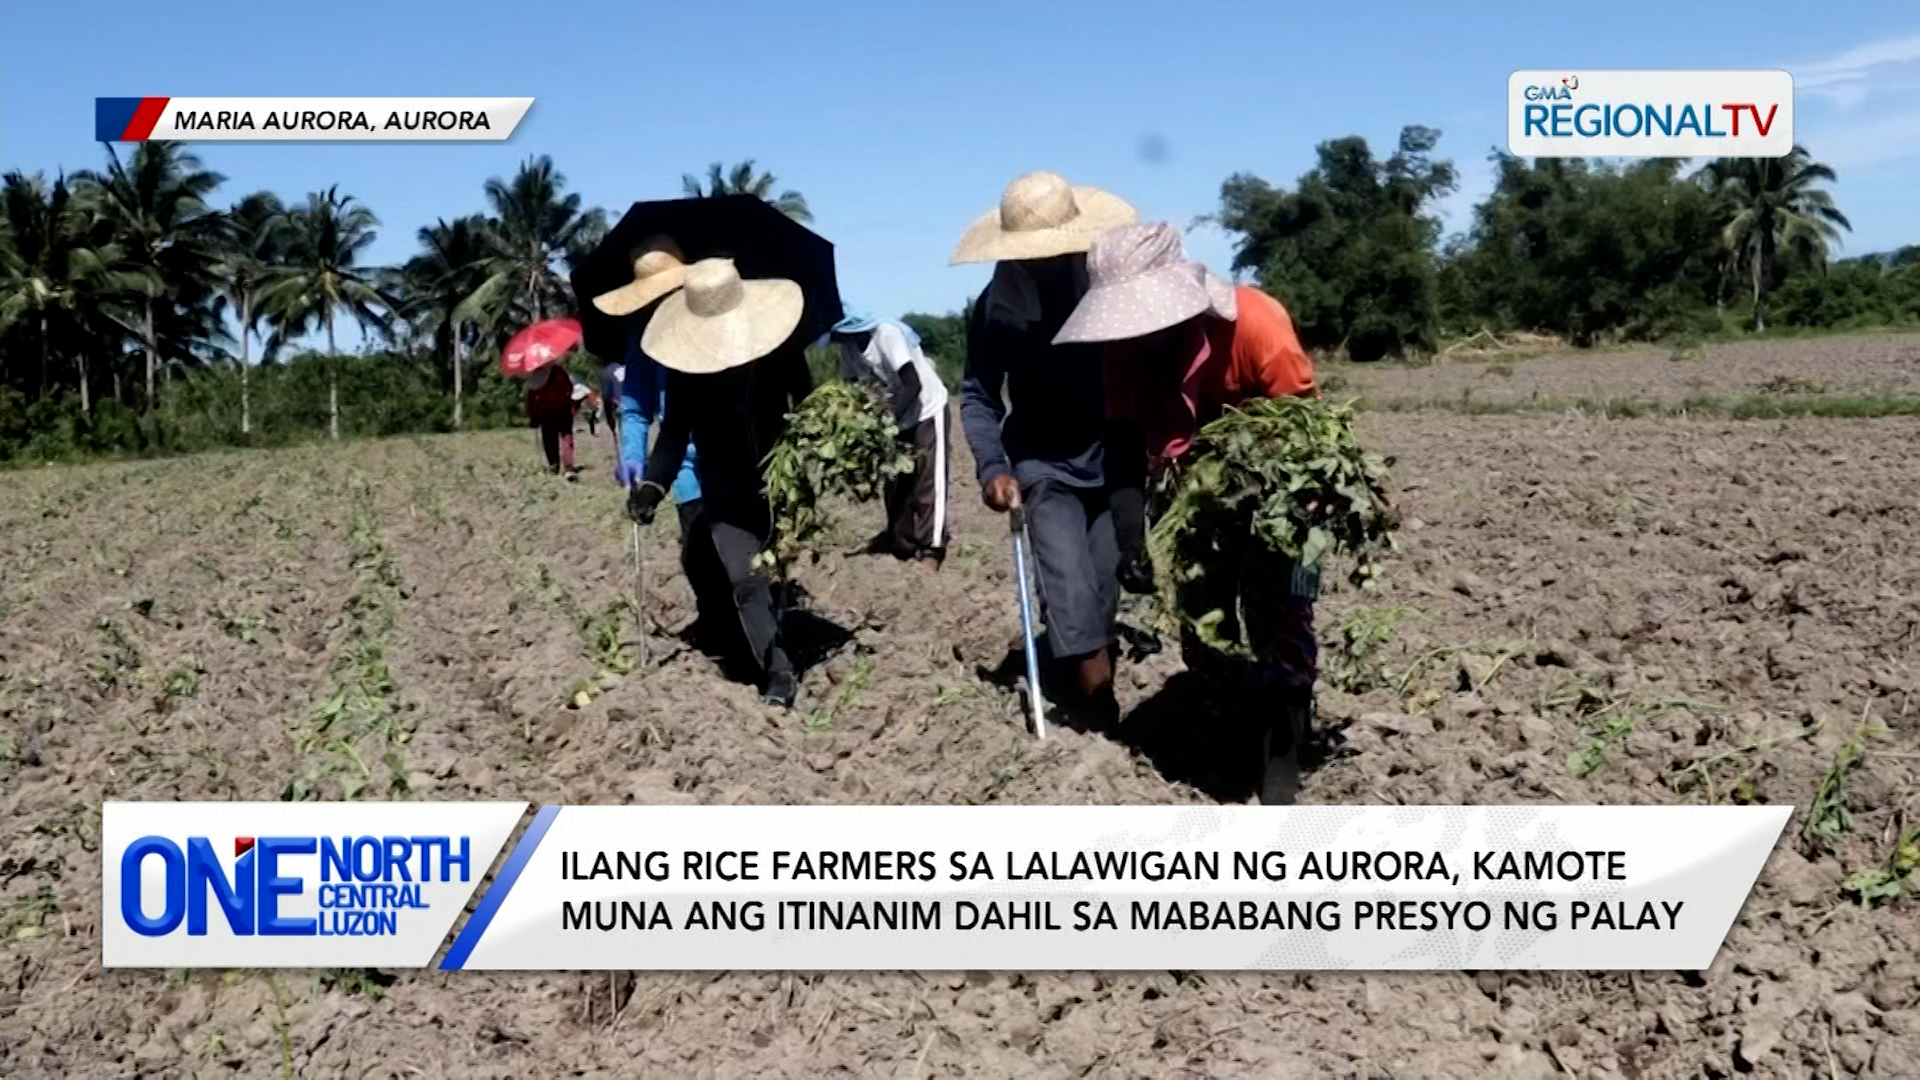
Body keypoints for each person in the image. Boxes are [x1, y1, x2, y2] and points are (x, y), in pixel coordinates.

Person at [1052, 221, 1318, 804]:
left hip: (1279, 487)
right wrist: (1130, 537)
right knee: (1201, 626)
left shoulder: (1255, 323)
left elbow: (1304, 432)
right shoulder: (1122, 352)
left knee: (1281, 615)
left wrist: (1284, 507)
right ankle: (1230, 733)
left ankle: (1281, 754)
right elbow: (1121, 440)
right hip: (1187, 488)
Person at [952, 170, 1138, 727]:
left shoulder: (1109, 286)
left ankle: (1084, 673)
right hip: (1042, 463)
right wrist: (992, 467)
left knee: (1103, 589)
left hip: (1112, 456)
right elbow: (979, 393)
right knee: (1069, 586)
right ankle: (1098, 710)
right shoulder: (997, 306)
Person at [626, 258, 814, 709]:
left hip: (778, 482)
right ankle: (777, 676)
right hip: (724, 488)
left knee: (772, 576)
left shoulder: (780, 350)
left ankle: (779, 634)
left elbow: (807, 402)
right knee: (744, 579)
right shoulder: (688, 370)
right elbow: (674, 433)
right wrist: (653, 485)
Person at [594, 237, 740, 654]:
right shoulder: (642, 338)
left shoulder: (716, 318)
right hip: (683, 465)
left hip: (738, 461)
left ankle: (757, 641)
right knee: (700, 564)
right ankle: (723, 645)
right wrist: (634, 457)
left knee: (743, 565)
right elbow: (637, 408)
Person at [828, 310, 952, 571]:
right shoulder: (850, 348)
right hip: (894, 418)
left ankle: (932, 548)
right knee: (895, 483)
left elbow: (912, 384)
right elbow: (852, 387)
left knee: (928, 481)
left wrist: (885, 415)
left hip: (926, 410)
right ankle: (903, 544)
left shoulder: (887, 334)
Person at [524, 364, 579, 479]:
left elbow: (531, 395)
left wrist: (533, 415)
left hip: (546, 411)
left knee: (549, 439)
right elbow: (569, 388)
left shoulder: (536, 375)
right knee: (566, 437)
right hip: (563, 408)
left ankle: (554, 466)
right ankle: (568, 468)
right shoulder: (559, 370)